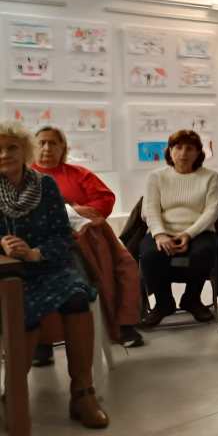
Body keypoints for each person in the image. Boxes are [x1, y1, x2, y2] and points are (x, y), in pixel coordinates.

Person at [0, 121, 109, 428]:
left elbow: (63, 235)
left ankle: (82, 394)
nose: (5, 154)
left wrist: (34, 253)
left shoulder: (45, 185)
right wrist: (2, 243)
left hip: (47, 265)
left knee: (76, 295)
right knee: (21, 307)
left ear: (25, 150)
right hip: (8, 274)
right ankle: (13, 395)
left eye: (12, 147)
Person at [32, 126, 143, 361]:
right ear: (32, 147)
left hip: (89, 235)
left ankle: (123, 324)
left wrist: (80, 211)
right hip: (48, 241)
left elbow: (105, 198)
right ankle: (43, 341)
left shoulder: (78, 173)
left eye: (53, 143)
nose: (47, 148)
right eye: (42, 143)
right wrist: (67, 213)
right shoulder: (26, 176)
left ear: (63, 148)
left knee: (125, 266)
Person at [138, 130, 218, 327]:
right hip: (163, 230)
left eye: (190, 148)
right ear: (170, 150)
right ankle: (163, 303)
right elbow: (150, 209)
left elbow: (212, 212)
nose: (183, 153)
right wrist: (160, 235)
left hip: (198, 231)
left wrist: (188, 234)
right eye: (178, 147)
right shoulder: (156, 177)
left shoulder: (211, 177)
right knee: (150, 254)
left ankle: (191, 299)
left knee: (203, 252)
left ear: (198, 153)